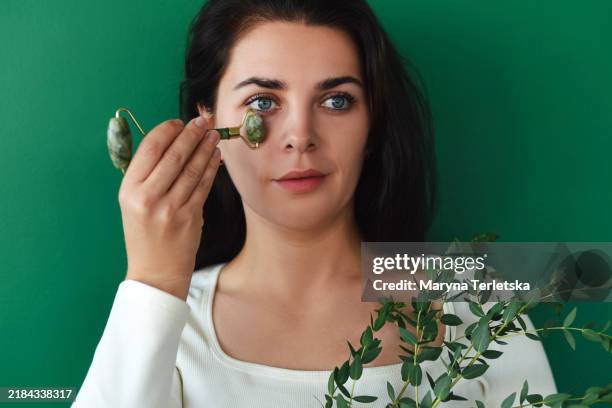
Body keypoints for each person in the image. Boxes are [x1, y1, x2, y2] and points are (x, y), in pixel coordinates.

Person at [73, 0, 557, 406]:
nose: (300, 137)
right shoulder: (163, 319)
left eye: (337, 101)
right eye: (262, 102)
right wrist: (153, 283)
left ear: (373, 124)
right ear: (207, 121)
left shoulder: (480, 303)